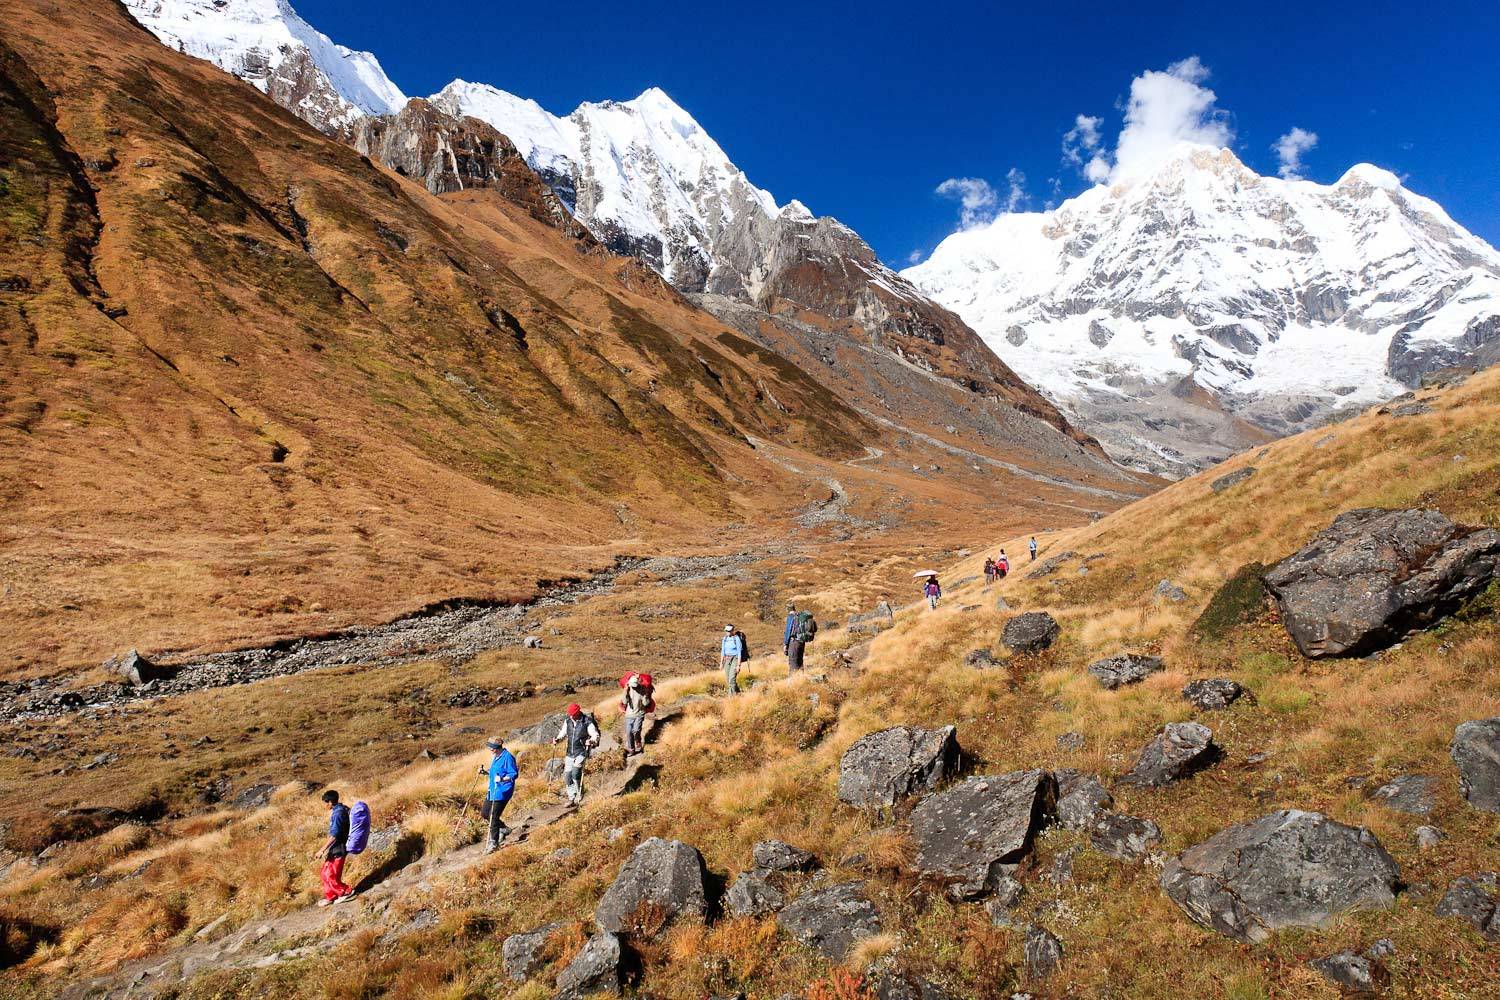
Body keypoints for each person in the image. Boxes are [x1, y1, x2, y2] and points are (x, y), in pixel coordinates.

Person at [313, 789, 356, 905]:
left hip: (339, 847)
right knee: (324, 872)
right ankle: (330, 896)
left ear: (330, 802)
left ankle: (345, 891)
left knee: (331, 874)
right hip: (335, 848)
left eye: (325, 803)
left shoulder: (338, 814)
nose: (325, 805)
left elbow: (335, 835)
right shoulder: (342, 809)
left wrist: (321, 850)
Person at [553, 703, 599, 806]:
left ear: (578, 712)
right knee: (568, 776)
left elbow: (595, 734)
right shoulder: (568, 721)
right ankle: (571, 798)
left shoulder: (587, 722)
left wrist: (591, 740)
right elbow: (563, 733)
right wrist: (557, 739)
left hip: (581, 751)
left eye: (573, 714)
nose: (571, 716)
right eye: (570, 714)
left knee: (576, 773)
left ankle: (579, 794)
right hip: (569, 752)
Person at [477, 737, 518, 852]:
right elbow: (494, 772)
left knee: (493, 817)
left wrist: (501, 779)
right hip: (493, 789)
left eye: (490, 747)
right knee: (485, 813)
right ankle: (503, 829)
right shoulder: (495, 756)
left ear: (496, 748)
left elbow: (513, 774)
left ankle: (493, 843)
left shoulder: (507, 757)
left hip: (502, 791)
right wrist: (485, 772)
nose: (489, 748)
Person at [619, 673, 652, 755]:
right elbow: (624, 701)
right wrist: (625, 692)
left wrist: (646, 695)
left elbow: (645, 703)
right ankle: (631, 749)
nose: (633, 687)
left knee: (636, 730)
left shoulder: (643, 690)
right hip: (629, 715)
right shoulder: (628, 689)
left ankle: (638, 741)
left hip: (639, 714)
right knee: (629, 732)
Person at [720, 624, 745, 694]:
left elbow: (739, 652)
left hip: (735, 658)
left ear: (732, 631)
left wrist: (738, 665)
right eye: (726, 631)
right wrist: (721, 663)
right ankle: (737, 691)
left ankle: (731, 697)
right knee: (728, 679)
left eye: (729, 631)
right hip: (727, 659)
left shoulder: (736, 639)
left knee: (732, 678)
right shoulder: (724, 639)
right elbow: (723, 651)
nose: (727, 632)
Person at [782, 602, 799, 668]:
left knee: (793, 662)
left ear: (788, 609)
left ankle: (794, 677)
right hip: (801, 641)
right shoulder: (799, 616)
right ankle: (801, 677)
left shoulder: (791, 616)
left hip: (793, 641)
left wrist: (785, 644)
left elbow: (788, 631)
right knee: (800, 661)